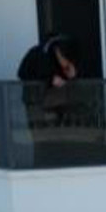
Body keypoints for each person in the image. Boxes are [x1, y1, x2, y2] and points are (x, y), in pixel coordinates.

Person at [15, 34, 81, 165]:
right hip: (36, 103)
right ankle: (42, 164)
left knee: (59, 137)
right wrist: (50, 80)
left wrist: (71, 74)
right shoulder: (37, 54)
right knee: (41, 138)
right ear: (58, 52)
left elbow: (71, 74)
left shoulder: (65, 57)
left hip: (57, 104)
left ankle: (60, 162)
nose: (66, 67)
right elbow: (22, 73)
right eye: (66, 63)